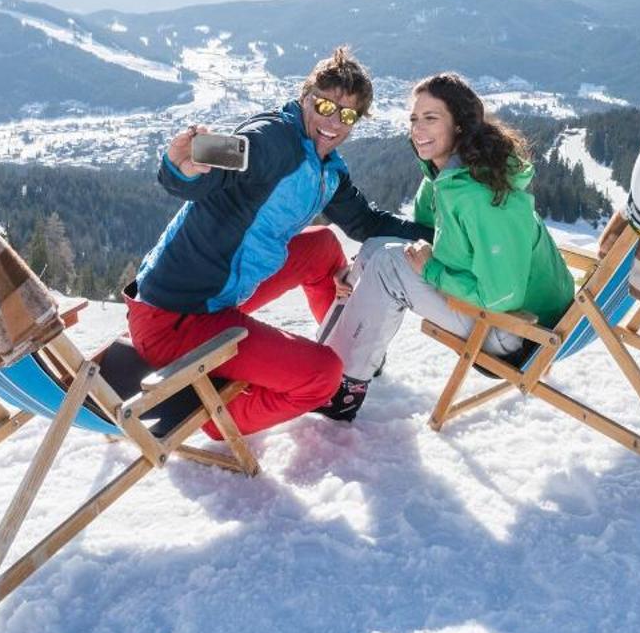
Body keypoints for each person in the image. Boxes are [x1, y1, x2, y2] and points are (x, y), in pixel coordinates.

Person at [121, 47, 430, 437]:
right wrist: (184, 168)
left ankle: (343, 346)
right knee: (322, 375)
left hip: (220, 292)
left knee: (321, 248)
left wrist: (437, 237)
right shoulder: (272, 140)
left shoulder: (327, 168)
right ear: (304, 98)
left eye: (347, 115)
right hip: (177, 319)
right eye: (324, 106)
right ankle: (224, 419)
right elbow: (226, 160)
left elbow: (364, 220)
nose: (333, 121)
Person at [315, 73, 575, 421]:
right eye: (414, 119)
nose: (418, 129)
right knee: (376, 249)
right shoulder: (447, 179)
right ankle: (321, 363)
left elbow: (501, 297)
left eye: (431, 118)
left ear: (461, 127)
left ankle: (342, 390)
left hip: (517, 334)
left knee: (390, 265)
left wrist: (432, 270)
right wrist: (361, 268)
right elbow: (427, 235)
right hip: (505, 316)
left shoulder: (480, 195)